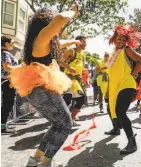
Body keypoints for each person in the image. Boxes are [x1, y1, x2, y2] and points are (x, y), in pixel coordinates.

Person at [8, 4, 79, 167]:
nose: (56, 29)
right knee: (65, 124)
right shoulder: (41, 38)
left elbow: (59, 43)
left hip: (36, 89)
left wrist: (74, 41)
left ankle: (36, 160)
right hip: (42, 89)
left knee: (58, 124)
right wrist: (73, 13)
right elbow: (61, 19)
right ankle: (46, 163)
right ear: (46, 24)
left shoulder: (40, 41)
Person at [107, 25, 141, 154]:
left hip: (127, 84)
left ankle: (132, 142)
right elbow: (111, 75)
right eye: (119, 39)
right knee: (113, 109)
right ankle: (117, 127)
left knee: (120, 111)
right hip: (115, 87)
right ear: (114, 38)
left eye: (124, 40)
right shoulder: (113, 53)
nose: (121, 42)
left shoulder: (127, 50)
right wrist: (107, 91)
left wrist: (133, 74)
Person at [61, 35, 87, 122]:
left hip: (77, 81)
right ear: (77, 43)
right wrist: (68, 68)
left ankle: (70, 119)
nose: (85, 44)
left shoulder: (83, 55)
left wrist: (85, 80)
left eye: (85, 42)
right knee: (67, 101)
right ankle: (62, 121)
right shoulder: (71, 51)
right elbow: (59, 60)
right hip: (68, 79)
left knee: (82, 100)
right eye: (83, 42)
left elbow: (81, 69)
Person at [1, 35, 18, 133]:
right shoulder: (5, 53)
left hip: (6, 81)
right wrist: (21, 67)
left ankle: (3, 125)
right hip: (7, 81)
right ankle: (2, 126)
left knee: (6, 103)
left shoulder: (3, 53)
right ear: (7, 44)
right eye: (12, 43)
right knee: (8, 103)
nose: (13, 45)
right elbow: (7, 68)